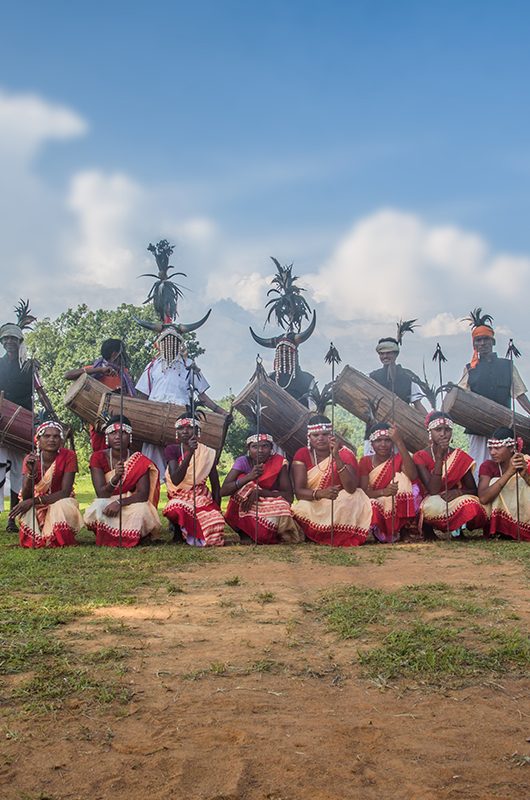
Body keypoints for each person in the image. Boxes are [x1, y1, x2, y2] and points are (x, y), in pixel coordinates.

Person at [135, 323, 227, 478]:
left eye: (173, 341)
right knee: (151, 465)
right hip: (155, 417)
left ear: (179, 343)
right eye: (166, 341)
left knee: (182, 461)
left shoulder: (189, 365)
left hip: (182, 419)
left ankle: (181, 494)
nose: (169, 345)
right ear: (160, 344)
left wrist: (221, 411)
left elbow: (202, 395)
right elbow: (142, 397)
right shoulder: (152, 366)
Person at [459, 309, 530, 474]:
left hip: (502, 429)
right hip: (477, 429)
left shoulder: (507, 366)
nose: (482, 343)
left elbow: (520, 396)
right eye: (478, 340)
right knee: (478, 468)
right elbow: (461, 396)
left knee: (504, 469)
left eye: (485, 339)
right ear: (474, 344)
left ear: (493, 341)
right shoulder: (470, 369)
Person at [291, 416, 372, 547]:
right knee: (301, 508)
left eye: (325, 434)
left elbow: (351, 488)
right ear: (309, 437)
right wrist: (322, 494)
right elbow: (299, 492)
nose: (320, 438)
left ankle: (334, 534)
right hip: (314, 502)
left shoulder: (344, 453)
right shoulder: (302, 454)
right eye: (315, 435)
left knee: (351, 497)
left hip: (338, 500)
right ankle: (322, 532)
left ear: (332, 435)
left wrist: (337, 458)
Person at [84, 416, 161, 547]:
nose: (118, 437)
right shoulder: (98, 457)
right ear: (107, 437)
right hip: (108, 500)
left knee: (142, 510)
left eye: (123, 433)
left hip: (131, 502)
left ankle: (132, 534)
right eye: (113, 433)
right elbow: (101, 494)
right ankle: (116, 534)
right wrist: (115, 478)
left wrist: (120, 502)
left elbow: (142, 494)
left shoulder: (139, 460)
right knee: (100, 506)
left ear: (129, 437)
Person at [413, 412, 487, 540]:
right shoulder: (420, 456)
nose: (443, 434)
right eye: (438, 429)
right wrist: (439, 458)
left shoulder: (460, 456)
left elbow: (473, 490)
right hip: (430, 500)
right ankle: (427, 529)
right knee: (431, 505)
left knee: (471, 504)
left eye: (447, 430)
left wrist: (458, 492)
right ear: (430, 432)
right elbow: (433, 490)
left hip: (452, 500)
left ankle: (457, 529)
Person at [10, 421, 83, 548]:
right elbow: (26, 497)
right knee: (27, 510)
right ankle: (41, 536)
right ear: (37, 440)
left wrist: (34, 501)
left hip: (59, 501)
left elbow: (65, 492)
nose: (52, 440)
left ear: (61, 440)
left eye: (56, 436)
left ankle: (55, 537)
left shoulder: (69, 456)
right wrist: (30, 474)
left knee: (63, 505)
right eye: (47, 436)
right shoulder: (30, 459)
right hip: (35, 501)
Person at [222, 432, 303, 544]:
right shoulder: (242, 462)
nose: (260, 450)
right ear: (248, 448)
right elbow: (224, 490)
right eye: (255, 446)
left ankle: (269, 534)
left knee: (283, 506)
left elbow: (289, 497)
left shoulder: (279, 462)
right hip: (248, 504)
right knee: (243, 485)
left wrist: (259, 493)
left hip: (269, 502)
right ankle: (244, 532)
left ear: (271, 448)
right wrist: (249, 477)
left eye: (265, 446)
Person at [0, 302, 37, 531]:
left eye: (14, 339)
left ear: (20, 341)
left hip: (22, 421)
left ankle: (13, 518)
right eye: (6, 340)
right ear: (2, 343)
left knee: (18, 470)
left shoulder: (29, 366)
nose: (9, 342)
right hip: (2, 421)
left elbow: (37, 392)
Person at [163, 414, 225, 546]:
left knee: (216, 521)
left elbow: (215, 485)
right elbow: (176, 479)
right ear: (176, 432)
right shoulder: (172, 449)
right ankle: (179, 533)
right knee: (176, 508)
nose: (185, 431)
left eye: (190, 427)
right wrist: (190, 453)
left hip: (201, 496)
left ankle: (194, 534)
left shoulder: (207, 452)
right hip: (179, 495)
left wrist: (217, 508)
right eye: (181, 428)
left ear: (198, 430)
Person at [64, 339, 136, 451]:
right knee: (101, 459)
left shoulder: (124, 373)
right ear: (115, 354)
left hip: (121, 427)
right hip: (98, 425)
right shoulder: (95, 369)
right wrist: (100, 370)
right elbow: (68, 375)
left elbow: (131, 398)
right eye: (121, 352)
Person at [359, 423, 418, 543]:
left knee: (402, 479)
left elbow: (413, 476)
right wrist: (383, 492)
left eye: (387, 440)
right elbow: (363, 493)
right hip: (378, 499)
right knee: (372, 504)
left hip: (396, 499)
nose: (383, 444)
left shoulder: (399, 458)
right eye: (378, 440)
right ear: (372, 443)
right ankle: (379, 531)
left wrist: (399, 442)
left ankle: (403, 529)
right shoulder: (365, 462)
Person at [477, 427, 530, 541]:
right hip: (500, 528)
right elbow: (483, 498)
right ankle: (501, 528)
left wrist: (525, 476)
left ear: (512, 448)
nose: (492, 452)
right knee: (494, 482)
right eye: (490, 448)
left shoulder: (525, 462)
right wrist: (509, 473)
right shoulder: (488, 466)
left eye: (497, 448)